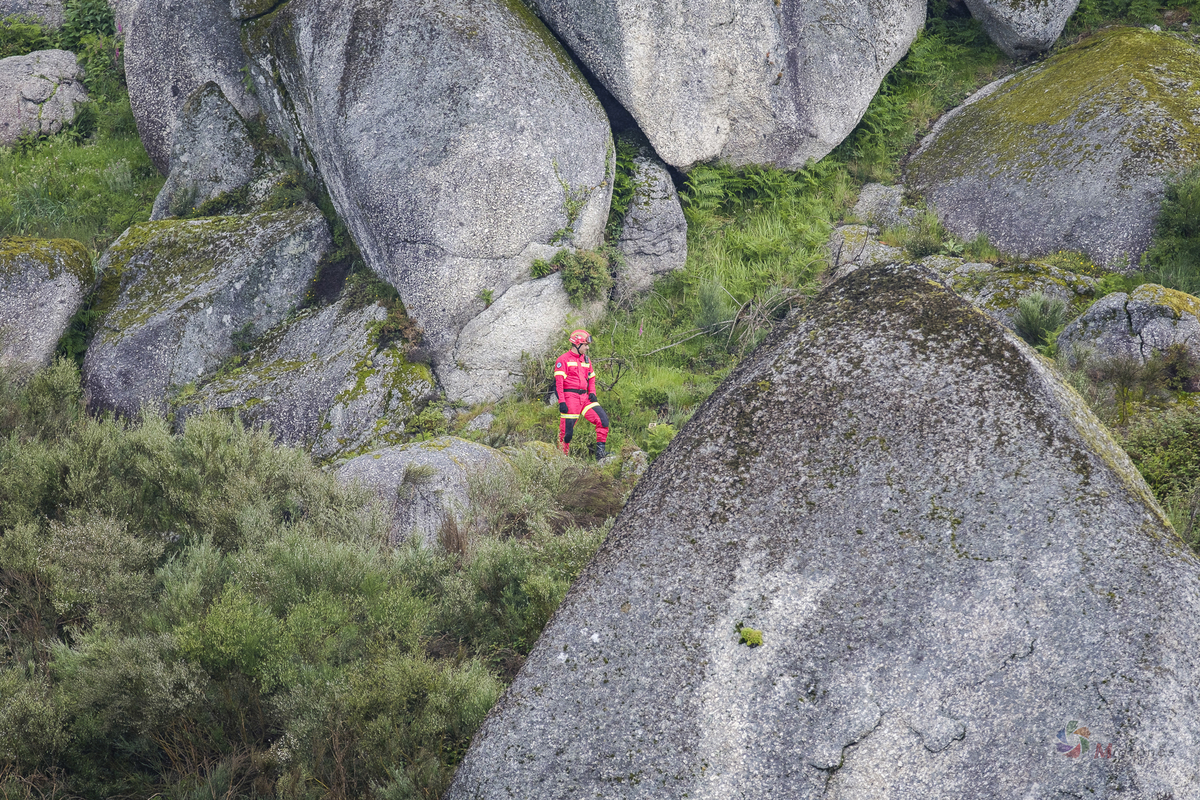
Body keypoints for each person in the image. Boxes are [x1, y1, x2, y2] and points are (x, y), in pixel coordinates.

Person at [554, 329, 610, 461]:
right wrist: (562, 402)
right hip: (570, 398)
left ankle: (600, 455)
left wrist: (592, 393)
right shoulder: (563, 359)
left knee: (603, 421)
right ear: (577, 344)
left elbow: (591, 378)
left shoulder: (586, 359)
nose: (587, 348)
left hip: (585, 398)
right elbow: (559, 384)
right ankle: (562, 460)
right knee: (566, 434)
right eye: (585, 345)